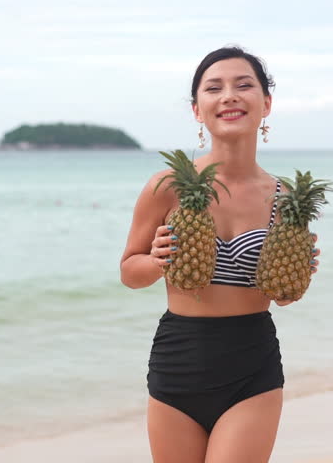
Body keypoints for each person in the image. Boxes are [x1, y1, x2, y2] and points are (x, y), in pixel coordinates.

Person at [119, 46, 321, 463]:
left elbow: (282, 298)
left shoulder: (286, 198)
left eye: (243, 85)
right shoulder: (168, 186)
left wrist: (296, 279)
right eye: (214, 88)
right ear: (197, 110)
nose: (229, 95)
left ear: (266, 104)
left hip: (251, 366)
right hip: (177, 360)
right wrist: (156, 261)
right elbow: (129, 271)